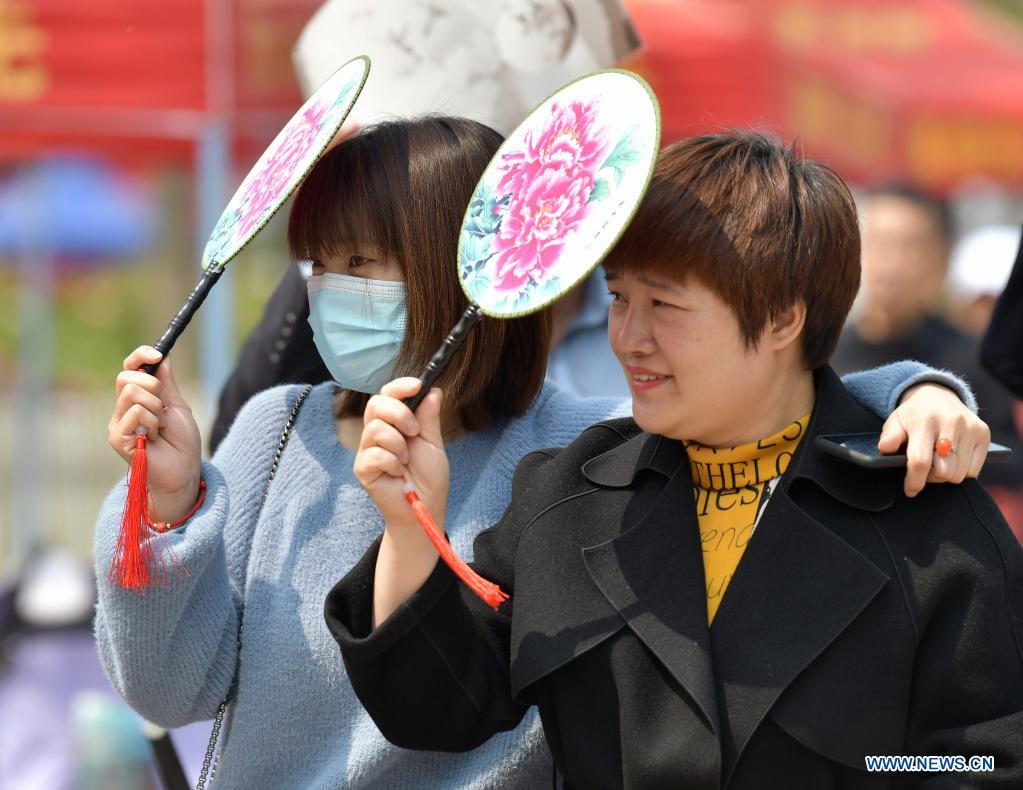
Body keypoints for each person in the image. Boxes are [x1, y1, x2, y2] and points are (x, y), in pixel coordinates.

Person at [99, 118, 984, 790]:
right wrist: (167, 509)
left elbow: (764, 397)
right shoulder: (277, 429)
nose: (332, 292)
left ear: (468, 270)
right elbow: (174, 691)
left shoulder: (581, 455)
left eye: (364, 263)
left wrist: (917, 392)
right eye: (317, 266)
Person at [328, 132, 1023, 788]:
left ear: (783, 317)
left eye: (663, 303)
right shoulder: (569, 493)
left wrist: (871, 773)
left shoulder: (927, 520)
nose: (628, 338)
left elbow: (986, 761)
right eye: (618, 298)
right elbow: (436, 708)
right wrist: (407, 525)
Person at [830, 184, 1023, 491]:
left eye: (910, 246)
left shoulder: (976, 359)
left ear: (942, 258)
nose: (891, 263)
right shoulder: (824, 352)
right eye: (880, 243)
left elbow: (1012, 463)